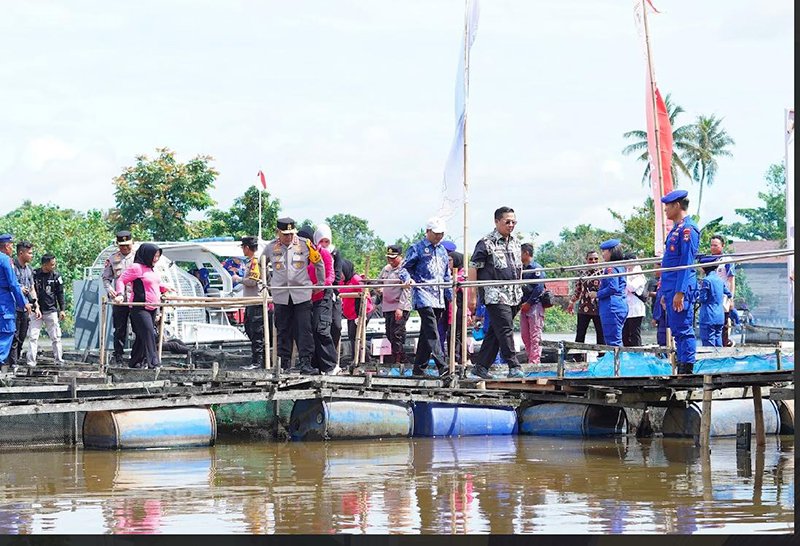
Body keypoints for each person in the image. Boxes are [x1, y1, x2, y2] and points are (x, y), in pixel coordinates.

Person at [260, 217, 325, 374]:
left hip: (301, 294)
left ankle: (305, 363)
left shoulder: (305, 244)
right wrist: (267, 284)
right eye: (285, 234)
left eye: (291, 234)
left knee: (304, 330)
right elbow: (261, 265)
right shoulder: (270, 247)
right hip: (281, 295)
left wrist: (320, 284)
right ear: (278, 233)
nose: (288, 237)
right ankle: (283, 364)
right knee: (283, 330)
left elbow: (319, 263)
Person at [467, 206, 524, 379]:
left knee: (495, 331)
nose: (511, 225)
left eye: (514, 222)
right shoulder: (486, 243)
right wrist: (473, 295)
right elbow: (473, 268)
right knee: (506, 328)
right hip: (495, 294)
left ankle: (480, 367)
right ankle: (513, 364)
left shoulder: (515, 242)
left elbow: (519, 267)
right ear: (497, 221)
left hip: (514, 294)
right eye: (507, 222)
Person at [404, 217, 453, 379]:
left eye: (441, 234)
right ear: (428, 232)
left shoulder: (442, 251)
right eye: (436, 233)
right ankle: (442, 365)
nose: (439, 237)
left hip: (438, 295)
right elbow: (404, 268)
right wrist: (407, 279)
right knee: (432, 328)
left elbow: (446, 274)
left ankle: (419, 367)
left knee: (427, 332)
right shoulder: (416, 248)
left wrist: (450, 296)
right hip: (422, 292)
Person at [660, 189, 700, 375]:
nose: (666, 209)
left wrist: (680, 292)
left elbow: (686, 262)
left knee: (683, 328)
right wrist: (663, 293)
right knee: (676, 329)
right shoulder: (676, 229)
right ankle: (683, 365)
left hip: (680, 287)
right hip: (670, 287)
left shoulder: (688, 229)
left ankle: (687, 367)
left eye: (668, 205)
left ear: (677, 205)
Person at [115, 244, 173, 369]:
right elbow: (121, 280)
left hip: (152, 307)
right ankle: (154, 363)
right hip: (140, 307)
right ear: (146, 255)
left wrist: (164, 288)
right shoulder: (136, 268)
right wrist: (120, 294)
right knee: (149, 333)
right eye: (154, 256)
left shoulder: (151, 269)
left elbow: (153, 285)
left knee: (142, 336)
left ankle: (135, 361)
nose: (156, 259)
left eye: (158, 256)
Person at [298, 227, 338, 375]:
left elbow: (331, 275)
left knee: (321, 329)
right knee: (310, 332)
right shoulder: (301, 256)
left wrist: (320, 286)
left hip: (322, 295)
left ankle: (330, 365)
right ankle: (317, 365)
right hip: (307, 297)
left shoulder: (323, 253)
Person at [102, 230, 137, 365]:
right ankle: (118, 356)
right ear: (118, 244)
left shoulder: (138, 257)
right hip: (119, 300)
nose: (125, 248)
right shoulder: (112, 259)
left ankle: (137, 355)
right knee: (120, 329)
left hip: (135, 298)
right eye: (122, 245)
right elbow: (106, 278)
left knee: (137, 328)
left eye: (127, 245)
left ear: (132, 243)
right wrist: (110, 289)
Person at [27, 253, 66, 366]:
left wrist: (62, 309)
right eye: (52, 264)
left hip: (51, 310)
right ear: (45, 265)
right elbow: (30, 290)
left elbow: (60, 293)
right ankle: (31, 361)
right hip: (36, 311)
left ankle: (59, 359)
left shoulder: (56, 276)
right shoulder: (34, 274)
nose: (54, 266)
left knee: (56, 337)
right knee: (33, 337)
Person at [566, 251, 605, 358]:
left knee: (601, 334)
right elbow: (578, 290)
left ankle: (602, 357)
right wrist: (572, 302)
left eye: (596, 259)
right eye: (591, 259)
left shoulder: (603, 272)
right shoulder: (582, 273)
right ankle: (578, 358)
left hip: (599, 308)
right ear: (586, 260)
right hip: (584, 308)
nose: (593, 261)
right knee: (580, 334)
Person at [377, 245, 412, 365]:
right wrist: (379, 289)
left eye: (393, 258)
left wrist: (400, 308)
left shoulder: (404, 270)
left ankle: (399, 360)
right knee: (389, 333)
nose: (391, 260)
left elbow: (407, 290)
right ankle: (400, 357)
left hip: (399, 307)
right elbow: (378, 283)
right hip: (387, 306)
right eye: (389, 258)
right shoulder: (386, 269)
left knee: (397, 334)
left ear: (400, 257)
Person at [0, 234, 31, 366]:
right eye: (11, 245)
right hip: (4, 303)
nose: (12, 248)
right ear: (7, 246)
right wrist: (23, 303)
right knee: (7, 333)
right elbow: (13, 284)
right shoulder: (5, 260)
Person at [313, 223, 344, 353]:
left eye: (327, 241)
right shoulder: (313, 253)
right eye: (322, 241)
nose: (324, 244)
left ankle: (332, 353)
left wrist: (331, 288)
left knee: (336, 326)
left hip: (332, 293)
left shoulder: (335, 253)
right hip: (316, 294)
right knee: (320, 327)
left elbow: (337, 274)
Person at [8, 241, 40, 366]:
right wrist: (19, 288)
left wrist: (36, 306)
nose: (32, 255)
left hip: (26, 307)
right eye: (30, 253)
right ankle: (11, 363)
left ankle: (16, 360)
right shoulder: (11, 266)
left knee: (22, 335)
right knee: (13, 336)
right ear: (21, 253)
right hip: (13, 307)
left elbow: (32, 288)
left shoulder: (29, 269)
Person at [339, 258, 373, 362]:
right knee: (351, 337)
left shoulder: (356, 279)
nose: (340, 275)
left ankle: (361, 360)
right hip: (350, 314)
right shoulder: (342, 281)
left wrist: (360, 316)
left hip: (362, 311)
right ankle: (358, 359)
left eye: (341, 273)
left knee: (356, 337)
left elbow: (365, 298)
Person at [239, 236, 266, 369]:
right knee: (250, 330)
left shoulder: (255, 262)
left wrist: (238, 279)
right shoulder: (252, 261)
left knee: (256, 332)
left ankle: (258, 362)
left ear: (247, 248)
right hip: (251, 302)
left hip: (255, 302)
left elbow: (252, 281)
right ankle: (258, 360)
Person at [597, 239, 628, 347]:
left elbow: (612, 287)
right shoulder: (621, 266)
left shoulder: (611, 267)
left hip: (612, 306)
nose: (603, 254)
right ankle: (616, 362)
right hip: (619, 304)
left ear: (611, 252)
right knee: (615, 338)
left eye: (604, 251)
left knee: (613, 341)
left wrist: (597, 294)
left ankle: (616, 363)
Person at [519, 243, 546, 365]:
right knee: (525, 335)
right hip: (524, 306)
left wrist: (529, 303)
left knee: (535, 335)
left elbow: (539, 288)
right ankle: (530, 359)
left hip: (534, 305)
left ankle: (535, 362)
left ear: (526, 253)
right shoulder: (522, 269)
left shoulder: (536, 268)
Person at [697, 256, 732, 347]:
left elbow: (703, 299)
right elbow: (729, 293)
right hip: (719, 316)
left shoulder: (706, 281)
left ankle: (710, 360)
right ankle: (719, 360)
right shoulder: (720, 280)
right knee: (718, 339)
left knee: (709, 342)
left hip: (708, 316)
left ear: (704, 267)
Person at [709, 234, 736, 347]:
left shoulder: (727, 260)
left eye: (716, 245)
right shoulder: (708, 259)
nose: (713, 247)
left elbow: (731, 279)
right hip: (711, 296)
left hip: (723, 296)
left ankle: (724, 345)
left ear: (722, 245)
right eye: (711, 245)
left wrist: (731, 298)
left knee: (723, 322)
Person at [622, 252, 647, 347]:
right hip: (626, 308)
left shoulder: (639, 275)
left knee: (635, 334)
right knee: (625, 334)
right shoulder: (626, 273)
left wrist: (624, 277)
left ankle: (637, 355)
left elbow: (632, 287)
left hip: (636, 309)